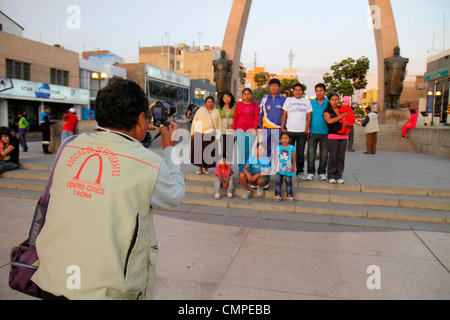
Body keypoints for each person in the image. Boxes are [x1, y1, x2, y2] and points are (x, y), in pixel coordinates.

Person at [32, 79, 185, 300]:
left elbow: (114, 152)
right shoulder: (148, 164)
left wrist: (137, 135)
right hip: (104, 292)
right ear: (142, 118)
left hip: (53, 279)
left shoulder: (70, 147)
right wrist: (169, 149)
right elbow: (174, 195)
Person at [281, 83, 311, 180]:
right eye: (296, 90)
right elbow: (284, 115)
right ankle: (286, 170)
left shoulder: (306, 101)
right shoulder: (288, 100)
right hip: (290, 130)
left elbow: (309, 116)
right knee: (287, 151)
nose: (297, 91)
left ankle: (300, 172)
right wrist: (282, 127)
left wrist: (306, 128)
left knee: (300, 153)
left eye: (299, 90)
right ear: (293, 91)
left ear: (302, 91)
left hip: (301, 131)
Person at [190, 96, 222, 175]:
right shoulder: (200, 110)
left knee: (208, 152)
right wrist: (192, 132)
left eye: (211, 102)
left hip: (210, 133)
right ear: (205, 103)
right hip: (199, 132)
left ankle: (206, 168)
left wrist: (218, 136)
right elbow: (195, 121)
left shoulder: (216, 111)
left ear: (213, 103)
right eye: (208, 102)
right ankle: (200, 168)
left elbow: (219, 124)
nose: (209, 103)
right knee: (199, 152)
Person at [323, 94, 350, 184]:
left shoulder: (343, 109)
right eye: (332, 99)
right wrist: (342, 116)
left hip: (344, 136)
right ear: (329, 101)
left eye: (336, 99)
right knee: (332, 156)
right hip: (333, 136)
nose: (335, 101)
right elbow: (329, 121)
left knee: (341, 157)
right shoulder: (327, 111)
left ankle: (339, 175)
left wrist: (348, 123)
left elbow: (349, 119)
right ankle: (331, 175)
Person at [233, 88, 259, 173]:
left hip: (251, 130)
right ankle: (241, 169)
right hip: (240, 130)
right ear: (242, 95)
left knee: (249, 150)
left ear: (251, 95)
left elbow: (256, 117)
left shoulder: (254, 105)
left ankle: (249, 169)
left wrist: (255, 129)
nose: (247, 96)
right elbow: (235, 117)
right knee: (241, 151)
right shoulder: (239, 104)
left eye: (248, 94)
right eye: (245, 94)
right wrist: (234, 130)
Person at [306, 83, 329, 181]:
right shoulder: (311, 103)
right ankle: (311, 172)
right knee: (311, 154)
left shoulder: (329, 102)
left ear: (325, 91)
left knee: (324, 155)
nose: (319, 93)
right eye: (317, 91)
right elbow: (307, 116)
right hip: (313, 132)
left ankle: (322, 172)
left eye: (321, 90)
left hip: (326, 132)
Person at [259, 78, 286, 158]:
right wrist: (261, 126)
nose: (274, 88)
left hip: (279, 129)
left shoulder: (284, 99)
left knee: (279, 149)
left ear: (279, 87)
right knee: (266, 149)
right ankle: (267, 167)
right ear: (269, 87)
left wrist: (284, 127)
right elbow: (261, 113)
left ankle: (279, 168)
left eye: (276, 86)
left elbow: (286, 114)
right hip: (267, 129)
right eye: (272, 86)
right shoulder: (264, 99)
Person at [274, 132, 296, 203]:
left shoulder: (291, 148)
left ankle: (289, 195)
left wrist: (293, 166)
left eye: (286, 138)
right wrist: (275, 167)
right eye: (282, 138)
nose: (284, 140)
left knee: (288, 182)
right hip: (279, 168)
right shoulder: (278, 148)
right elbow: (276, 158)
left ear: (289, 139)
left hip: (288, 169)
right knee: (278, 182)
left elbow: (294, 158)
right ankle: (277, 194)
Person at [217, 91, 236, 162]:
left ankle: (229, 166)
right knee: (223, 149)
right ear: (222, 99)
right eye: (224, 97)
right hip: (222, 130)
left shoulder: (235, 106)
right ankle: (223, 166)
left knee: (230, 149)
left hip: (231, 130)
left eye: (228, 97)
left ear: (231, 98)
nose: (226, 99)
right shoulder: (219, 107)